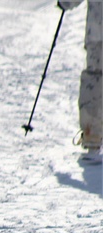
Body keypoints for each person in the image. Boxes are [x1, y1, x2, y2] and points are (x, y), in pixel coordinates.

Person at [58, 0, 102, 164]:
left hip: (97, 30)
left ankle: (92, 136)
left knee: (94, 78)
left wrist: (65, 3)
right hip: (97, 30)